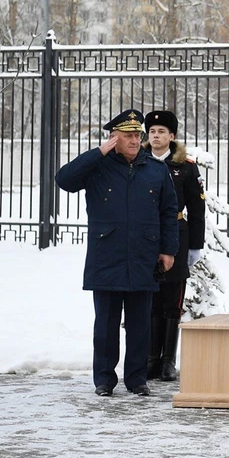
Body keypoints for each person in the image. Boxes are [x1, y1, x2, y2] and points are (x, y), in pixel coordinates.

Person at [55, 109, 179, 397]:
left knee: (139, 325)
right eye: (129, 136)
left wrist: (168, 251)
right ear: (114, 139)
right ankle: (104, 380)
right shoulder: (98, 166)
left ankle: (136, 380)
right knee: (106, 326)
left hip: (143, 256)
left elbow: (168, 211)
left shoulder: (155, 169)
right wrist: (98, 153)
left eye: (138, 135)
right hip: (107, 255)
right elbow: (64, 180)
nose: (136, 140)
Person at [143, 110, 206, 382]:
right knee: (149, 301)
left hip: (176, 235)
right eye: (152, 131)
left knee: (172, 301)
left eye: (161, 132)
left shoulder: (186, 167)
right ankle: (150, 359)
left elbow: (197, 209)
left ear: (172, 136)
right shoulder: (139, 161)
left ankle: (168, 361)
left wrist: (195, 246)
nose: (156, 136)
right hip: (145, 237)